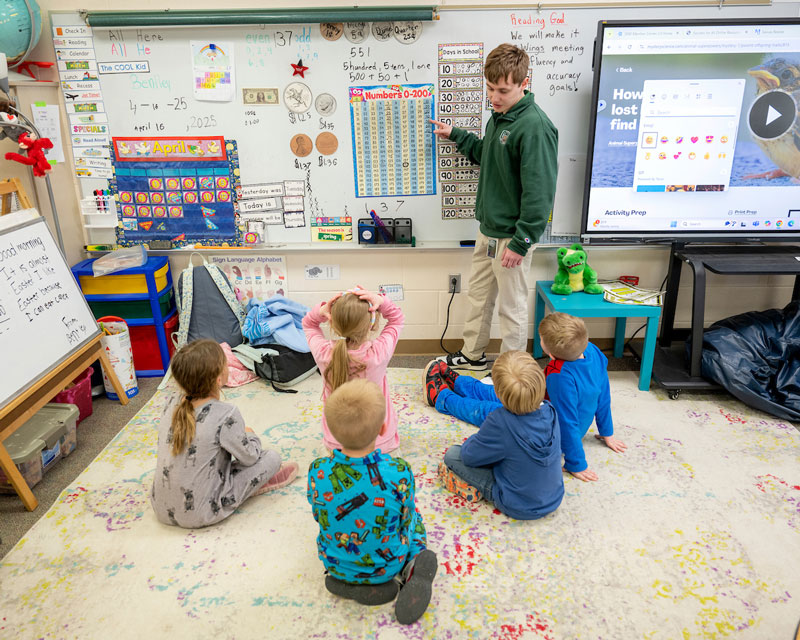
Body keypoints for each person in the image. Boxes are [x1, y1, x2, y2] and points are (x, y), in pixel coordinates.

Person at [431, 43, 558, 371]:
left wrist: (522, 242)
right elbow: (488, 155)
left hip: (512, 238)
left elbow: (540, 194)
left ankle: (512, 371)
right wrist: (456, 134)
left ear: (523, 82)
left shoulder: (535, 126)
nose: (494, 97)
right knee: (478, 298)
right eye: (490, 88)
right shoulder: (499, 119)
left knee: (511, 308)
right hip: (487, 232)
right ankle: (473, 355)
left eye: (503, 90)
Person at [307, 378, 437, 624]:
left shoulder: (317, 470)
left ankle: (346, 578)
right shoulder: (399, 471)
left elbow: (318, 514)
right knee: (414, 518)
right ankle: (413, 566)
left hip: (333, 561)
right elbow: (404, 519)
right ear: (382, 428)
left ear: (330, 429)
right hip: (388, 563)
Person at [151, 339, 298, 528]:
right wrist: (250, 435)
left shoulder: (170, 403)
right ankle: (246, 490)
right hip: (202, 512)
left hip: (161, 508)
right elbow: (250, 458)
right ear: (219, 379)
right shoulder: (226, 414)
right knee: (272, 458)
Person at [435, 351, 564, 520]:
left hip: (516, 503)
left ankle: (471, 487)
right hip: (554, 497)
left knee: (453, 455)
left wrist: (480, 438)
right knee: (508, 453)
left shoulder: (500, 420)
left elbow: (469, 456)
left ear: (498, 394)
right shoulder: (550, 410)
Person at [302, 286, 403, 453]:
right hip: (381, 444)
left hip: (336, 444)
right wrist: (381, 301)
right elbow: (397, 319)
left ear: (332, 323)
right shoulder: (378, 353)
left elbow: (308, 324)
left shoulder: (323, 354)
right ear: (372, 324)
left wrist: (322, 310)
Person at [538, 312, 627, 482]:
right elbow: (603, 394)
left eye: (541, 339)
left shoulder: (560, 374)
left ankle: (469, 387)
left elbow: (566, 421)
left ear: (551, 355)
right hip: (579, 427)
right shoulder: (592, 350)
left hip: (549, 427)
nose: (540, 340)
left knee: (491, 406)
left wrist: (577, 463)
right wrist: (607, 432)